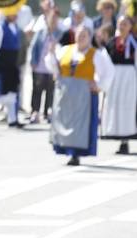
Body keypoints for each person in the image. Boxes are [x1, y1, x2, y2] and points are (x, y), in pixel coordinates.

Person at [46, 25, 115, 165]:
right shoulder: (66, 50)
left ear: (89, 37)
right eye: (78, 35)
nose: (80, 38)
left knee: (80, 127)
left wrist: (98, 85)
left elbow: (109, 72)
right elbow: (54, 67)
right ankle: (66, 150)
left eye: (84, 35)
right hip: (66, 95)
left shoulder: (96, 54)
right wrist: (51, 53)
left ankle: (75, 154)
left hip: (83, 96)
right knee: (65, 123)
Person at [101, 15, 136, 154]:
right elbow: (104, 62)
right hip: (114, 78)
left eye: (125, 24)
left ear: (130, 27)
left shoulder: (134, 43)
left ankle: (125, 140)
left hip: (130, 79)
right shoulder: (111, 43)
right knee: (115, 107)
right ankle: (117, 134)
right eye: (120, 24)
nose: (122, 27)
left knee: (128, 108)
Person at [28, 7, 62, 125]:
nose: (53, 20)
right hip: (39, 66)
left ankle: (47, 113)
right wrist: (32, 61)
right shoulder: (41, 32)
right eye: (51, 17)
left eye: (55, 18)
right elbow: (33, 47)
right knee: (37, 90)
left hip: (52, 68)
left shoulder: (60, 33)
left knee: (50, 91)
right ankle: (35, 112)